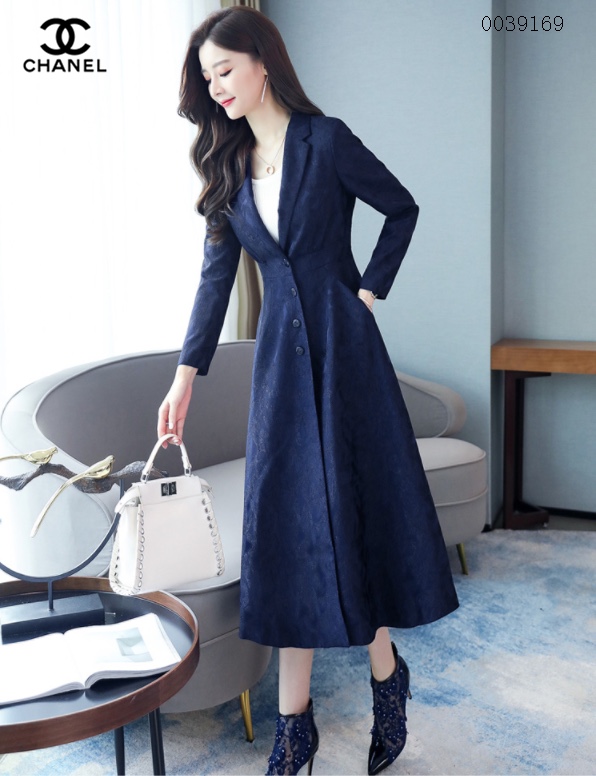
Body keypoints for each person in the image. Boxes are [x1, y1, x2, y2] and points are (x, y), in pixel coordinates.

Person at [157, 7, 459, 775]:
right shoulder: (227, 169)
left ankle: (385, 676)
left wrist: (367, 293)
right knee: (291, 535)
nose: (216, 86)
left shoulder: (326, 141)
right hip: (280, 374)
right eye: (206, 77)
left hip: (347, 358)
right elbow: (215, 282)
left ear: (262, 61)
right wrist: (185, 376)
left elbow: (401, 207)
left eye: (225, 69)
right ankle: (298, 727)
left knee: (351, 521)